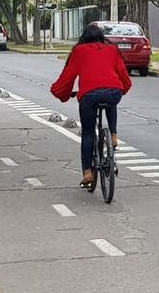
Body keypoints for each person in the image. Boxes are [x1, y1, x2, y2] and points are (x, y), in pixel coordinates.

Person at [51, 24, 132, 187]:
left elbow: (67, 77)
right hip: (112, 91)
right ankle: (113, 135)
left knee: (88, 133)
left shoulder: (78, 51)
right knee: (110, 101)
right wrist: (121, 89)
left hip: (88, 95)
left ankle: (87, 172)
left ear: (84, 38)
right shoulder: (112, 50)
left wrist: (64, 94)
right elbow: (124, 76)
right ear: (101, 37)